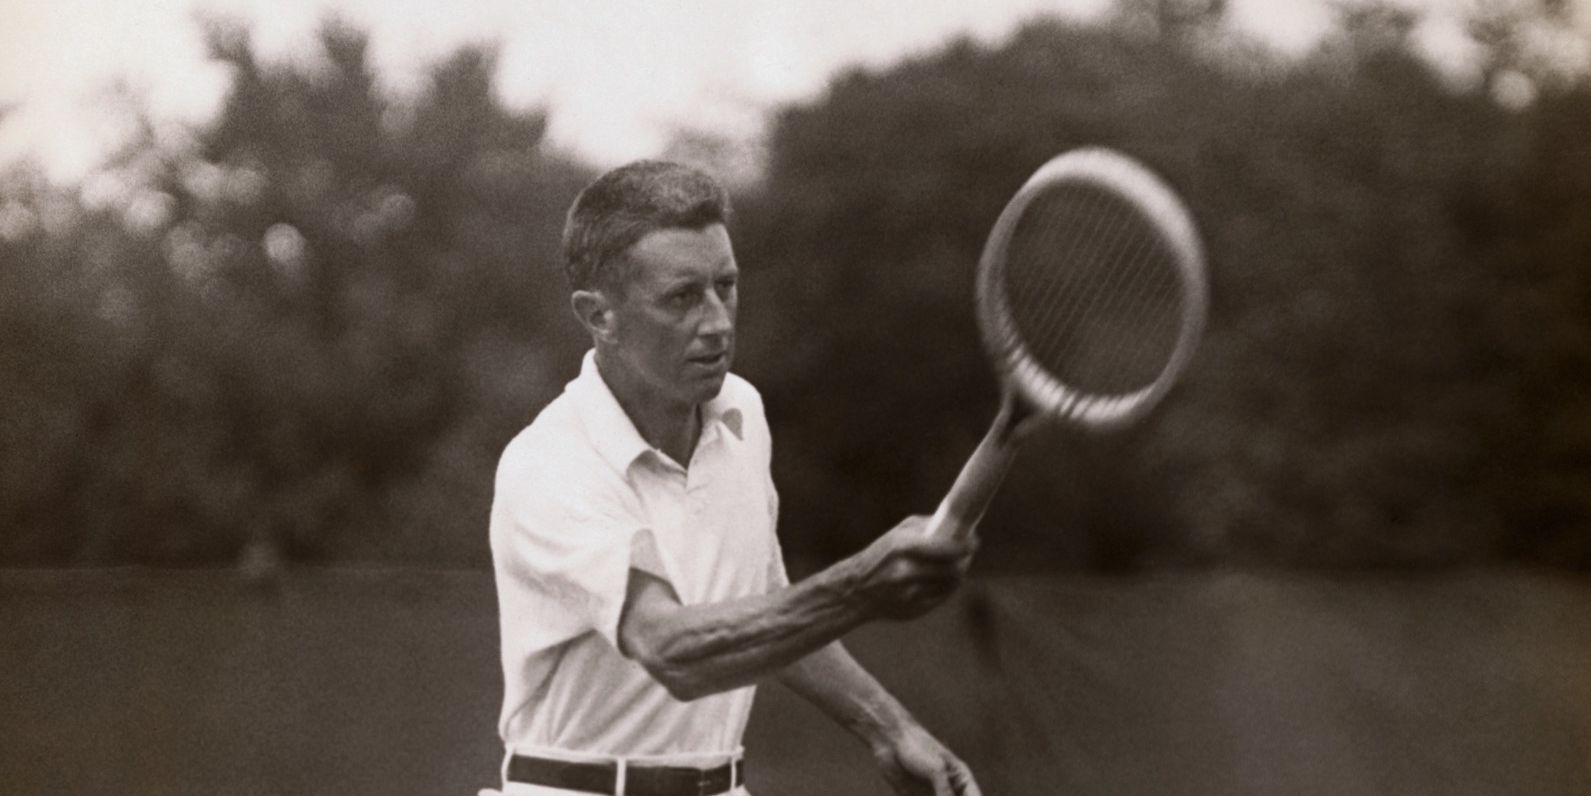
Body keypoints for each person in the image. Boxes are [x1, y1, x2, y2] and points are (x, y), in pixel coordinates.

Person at [488, 160, 982, 796]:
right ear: (599, 316)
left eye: (727, 286)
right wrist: (861, 585)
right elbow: (672, 648)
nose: (718, 321)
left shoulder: (742, 413)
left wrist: (889, 727)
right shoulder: (550, 465)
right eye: (682, 297)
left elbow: (762, 606)